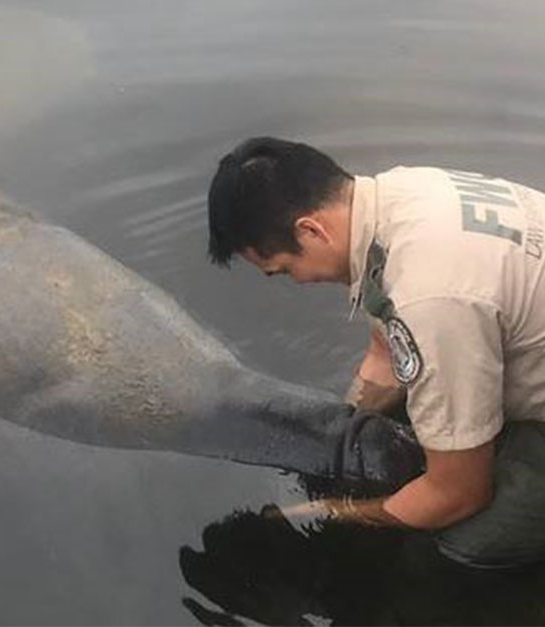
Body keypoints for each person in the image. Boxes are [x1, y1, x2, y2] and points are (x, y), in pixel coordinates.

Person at [206, 136, 545, 567]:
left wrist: (331, 512)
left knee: (468, 539)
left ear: (310, 230)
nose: (297, 282)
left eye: (286, 270)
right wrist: (338, 437)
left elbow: (459, 495)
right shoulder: (400, 198)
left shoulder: (428, 296)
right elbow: (387, 352)